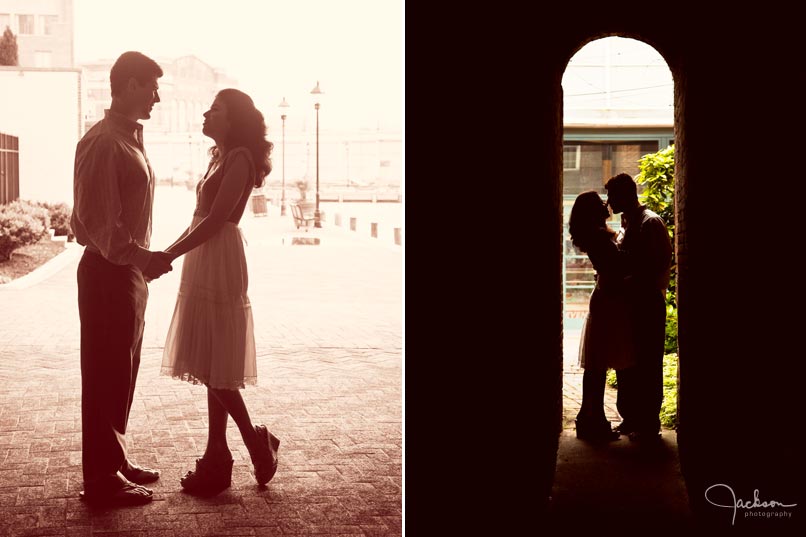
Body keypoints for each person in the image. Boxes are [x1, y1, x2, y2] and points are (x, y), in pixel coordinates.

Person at [159, 88, 279, 496]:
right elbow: (199, 219)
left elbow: (217, 218)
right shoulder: (219, 157)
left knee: (216, 363)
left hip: (220, 257)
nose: (206, 114)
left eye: (216, 109)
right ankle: (218, 456)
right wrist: (167, 253)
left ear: (233, 119)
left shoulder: (240, 157)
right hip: (204, 255)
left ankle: (249, 445)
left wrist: (171, 253)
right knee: (211, 360)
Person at [71, 51, 172, 506]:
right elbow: (92, 219)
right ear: (129, 84)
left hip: (126, 272)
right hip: (108, 272)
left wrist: (138, 262)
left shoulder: (129, 137)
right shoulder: (103, 142)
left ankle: (114, 459)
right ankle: (101, 480)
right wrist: (139, 256)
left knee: (122, 370)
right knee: (104, 373)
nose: (156, 96)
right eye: (151, 86)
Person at [604, 172, 673, 441]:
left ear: (626, 195)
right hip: (628, 305)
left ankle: (648, 423)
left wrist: (626, 281)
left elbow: (657, 265)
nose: (609, 201)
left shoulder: (650, 222)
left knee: (648, 363)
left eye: (612, 195)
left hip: (646, 304)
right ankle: (631, 417)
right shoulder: (626, 222)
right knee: (627, 362)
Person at [569, 191, 635, 442]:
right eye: (599, 202)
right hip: (609, 300)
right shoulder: (598, 237)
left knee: (597, 364)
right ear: (592, 210)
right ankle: (592, 420)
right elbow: (619, 267)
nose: (605, 203)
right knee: (598, 365)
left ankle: (590, 419)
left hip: (606, 297)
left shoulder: (595, 235)